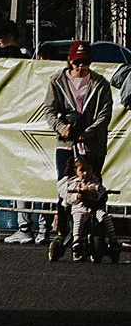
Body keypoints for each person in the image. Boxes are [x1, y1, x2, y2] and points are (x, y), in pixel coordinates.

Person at [45, 40, 115, 252]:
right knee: (66, 187)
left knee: (92, 186)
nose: (80, 67)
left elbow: (105, 113)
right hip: (66, 144)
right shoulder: (57, 81)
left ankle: (96, 230)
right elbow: (48, 109)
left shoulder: (100, 83)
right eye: (76, 62)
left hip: (91, 145)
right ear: (69, 61)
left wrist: (90, 131)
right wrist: (61, 127)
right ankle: (62, 232)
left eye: (84, 62)